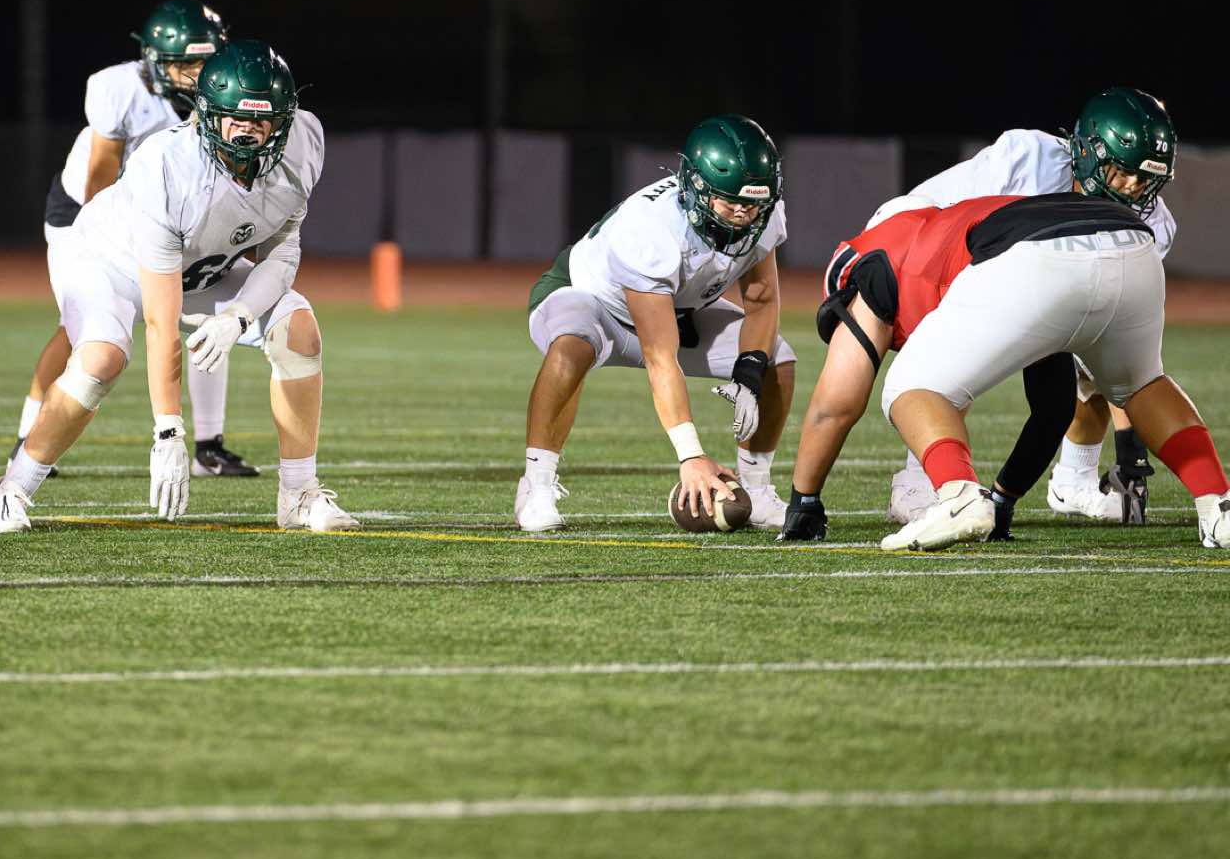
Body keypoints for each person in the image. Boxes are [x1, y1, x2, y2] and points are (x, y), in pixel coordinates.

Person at [0, 40, 357, 534]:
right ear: (206, 115)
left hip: (198, 269)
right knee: (101, 359)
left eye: (262, 119)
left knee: (298, 331)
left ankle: (299, 495)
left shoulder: (303, 144)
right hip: (108, 263)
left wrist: (239, 316)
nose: (248, 131)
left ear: (285, 120)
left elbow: (281, 255)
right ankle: (11, 489)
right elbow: (162, 319)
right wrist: (168, 430)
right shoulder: (168, 166)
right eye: (235, 117)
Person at [789, 191, 1228, 552]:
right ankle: (1219, 505)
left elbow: (835, 406)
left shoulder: (875, 260)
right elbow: (1054, 409)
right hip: (1131, 242)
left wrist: (803, 501)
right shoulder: (954, 229)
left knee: (908, 385)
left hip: (1033, 255)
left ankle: (959, 494)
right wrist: (1002, 500)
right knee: (1141, 386)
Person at [868, 87, 1178, 529]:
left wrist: (1131, 449)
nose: (1133, 188)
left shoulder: (1154, 224)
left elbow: (1124, 331)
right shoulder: (1026, 160)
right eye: (1122, 170)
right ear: (1087, 154)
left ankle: (1073, 480)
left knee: (1095, 348)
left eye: (1146, 179)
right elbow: (931, 212)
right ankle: (917, 482)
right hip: (942, 256)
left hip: (1049, 289)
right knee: (957, 363)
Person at [15, 0, 258, 477]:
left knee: (209, 311)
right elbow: (101, 181)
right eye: (188, 64)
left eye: (207, 60)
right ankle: (29, 432)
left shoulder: (224, 98)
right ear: (156, 62)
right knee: (84, 328)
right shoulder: (120, 90)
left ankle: (209, 444)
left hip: (169, 216)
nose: (200, 74)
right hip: (90, 215)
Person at [519, 115, 796, 532]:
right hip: (592, 301)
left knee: (778, 359)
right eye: (730, 201)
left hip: (679, 309)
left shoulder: (764, 215)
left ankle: (755, 488)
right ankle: (536, 485)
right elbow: (660, 356)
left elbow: (761, 299)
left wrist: (750, 370)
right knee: (571, 344)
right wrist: (691, 455)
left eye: (753, 203)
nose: (743, 215)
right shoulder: (651, 230)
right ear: (695, 187)